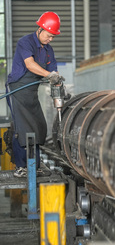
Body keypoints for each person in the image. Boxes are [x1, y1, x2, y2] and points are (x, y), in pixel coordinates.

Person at [6, 11, 64, 177]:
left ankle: (35, 165)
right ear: (40, 29)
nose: (50, 39)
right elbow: (30, 65)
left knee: (39, 126)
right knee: (22, 128)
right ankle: (21, 167)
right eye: (49, 35)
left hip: (31, 91)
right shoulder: (26, 42)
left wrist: (58, 82)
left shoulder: (48, 50)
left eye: (53, 37)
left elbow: (54, 71)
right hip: (17, 88)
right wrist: (49, 75)